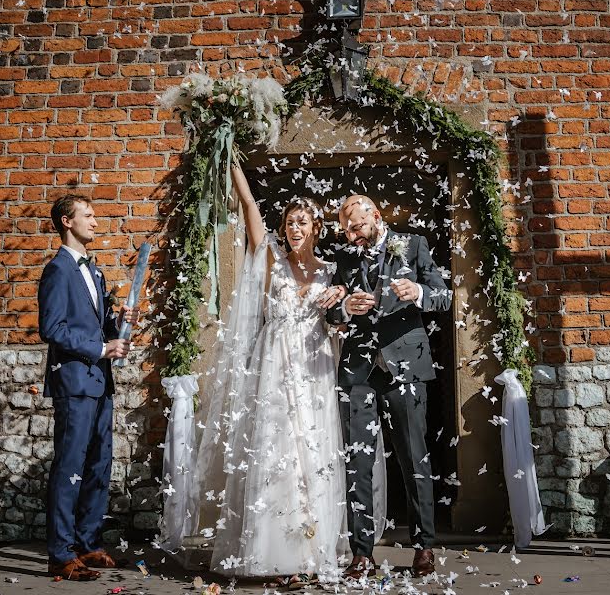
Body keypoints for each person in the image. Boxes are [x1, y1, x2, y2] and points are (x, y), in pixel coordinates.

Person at [158, 166, 386, 588]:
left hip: (315, 367)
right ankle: (269, 550)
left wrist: (340, 311)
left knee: (312, 457)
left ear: (316, 227)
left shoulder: (332, 270)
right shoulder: (271, 259)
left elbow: (341, 322)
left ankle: (309, 551)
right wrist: (230, 159)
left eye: (302, 222)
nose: (294, 228)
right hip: (277, 369)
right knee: (275, 453)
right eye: (288, 222)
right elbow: (248, 206)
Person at [326, 195, 451, 579]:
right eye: (347, 229)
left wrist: (420, 294)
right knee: (357, 462)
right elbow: (331, 310)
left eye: (358, 226)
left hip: (406, 368)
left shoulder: (413, 245)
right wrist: (347, 309)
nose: (353, 234)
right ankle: (362, 554)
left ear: (376, 217)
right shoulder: (345, 259)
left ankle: (423, 547)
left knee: (415, 458)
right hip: (360, 371)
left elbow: (444, 297)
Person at [39, 194, 139, 580]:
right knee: (70, 467)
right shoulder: (58, 270)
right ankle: (61, 553)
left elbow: (99, 329)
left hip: (101, 382)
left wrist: (117, 320)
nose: (96, 222)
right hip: (75, 382)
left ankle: (89, 542)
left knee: (98, 465)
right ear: (67, 221)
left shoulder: (94, 272)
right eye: (89, 216)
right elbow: (52, 328)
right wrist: (100, 347)